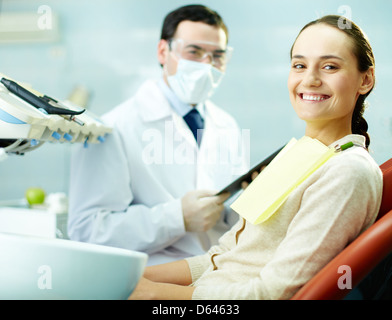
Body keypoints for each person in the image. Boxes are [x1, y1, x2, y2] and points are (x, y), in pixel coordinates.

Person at [128, 15, 383, 300]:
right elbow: (221, 257)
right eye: (299, 65)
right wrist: (134, 279)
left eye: (329, 66)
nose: (310, 79)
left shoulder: (347, 171)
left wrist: (154, 296)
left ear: (366, 79)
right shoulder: (294, 156)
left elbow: (271, 294)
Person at [67, 5, 248, 266]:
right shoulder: (115, 127)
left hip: (217, 275)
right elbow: (87, 230)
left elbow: (227, 213)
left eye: (217, 56)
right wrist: (176, 218)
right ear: (164, 52)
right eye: (194, 52)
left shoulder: (226, 124)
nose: (207, 65)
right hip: (155, 280)